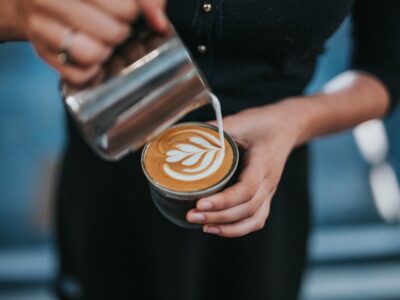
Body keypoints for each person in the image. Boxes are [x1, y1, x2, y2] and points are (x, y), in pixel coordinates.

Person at [1, 0, 399, 299]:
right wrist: (21, 13)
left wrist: (295, 121)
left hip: (268, 181)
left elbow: (386, 71)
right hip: (110, 164)